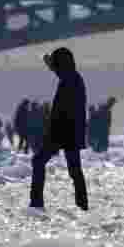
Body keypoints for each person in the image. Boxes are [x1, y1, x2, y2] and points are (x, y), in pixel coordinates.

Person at [30, 47, 89, 211]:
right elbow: (61, 72)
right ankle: (82, 204)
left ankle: (36, 204)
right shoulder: (74, 77)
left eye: (56, 62)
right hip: (71, 132)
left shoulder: (69, 79)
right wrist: (51, 64)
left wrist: (51, 132)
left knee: (38, 161)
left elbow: (63, 111)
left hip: (62, 132)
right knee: (75, 170)